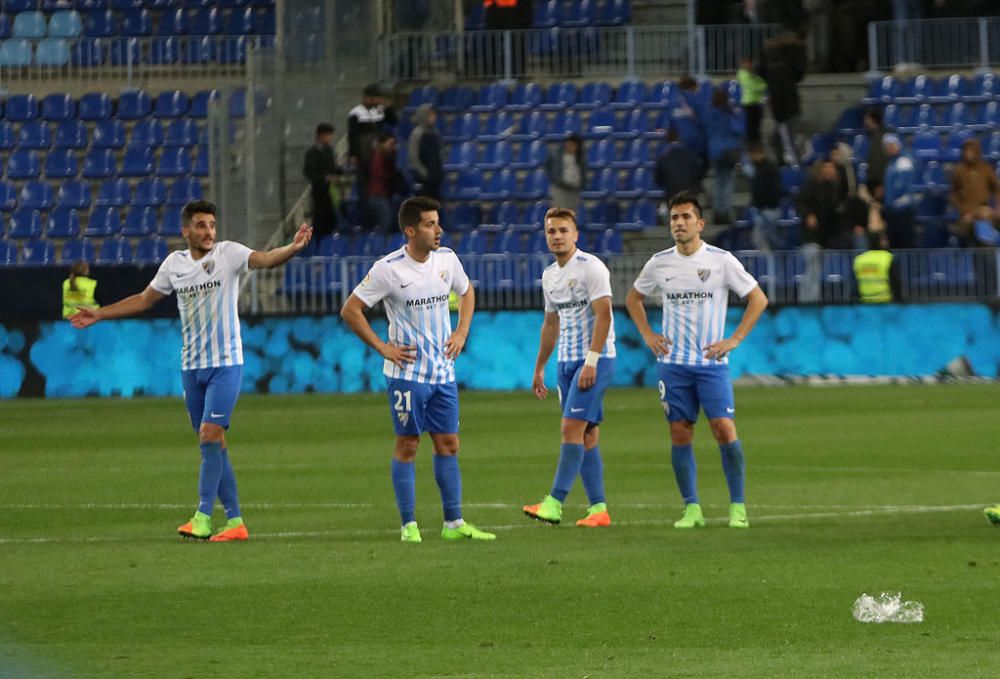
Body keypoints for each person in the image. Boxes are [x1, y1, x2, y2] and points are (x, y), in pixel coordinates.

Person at [69, 201, 313, 542]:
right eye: (201, 225)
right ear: (186, 230)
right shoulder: (174, 265)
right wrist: (100, 313)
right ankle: (236, 522)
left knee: (209, 435)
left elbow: (266, 258)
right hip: (191, 368)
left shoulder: (229, 254)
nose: (208, 231)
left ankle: (202, 515)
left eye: (212, 225)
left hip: (226, 364)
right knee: (215, 443)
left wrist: (294, 247)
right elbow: (144, 299)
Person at [340, 196, 496, 543]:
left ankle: (453, 524)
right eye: (430, 224)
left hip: (442, 372)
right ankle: (408, 524)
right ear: (410, 230)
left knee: (449, 443)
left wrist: (461, 332)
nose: (438, 230)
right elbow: (351, 309)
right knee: (408, 444)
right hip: (407, 374)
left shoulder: (447, 260)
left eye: (438, 223)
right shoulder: (388, 269)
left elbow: (467, 293)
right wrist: (383, 347)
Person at [625, 191, 768, 530]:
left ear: (700, 224)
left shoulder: (721, 260)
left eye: (686, 217)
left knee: (724, 429)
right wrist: (648, 335)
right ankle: (692, 508)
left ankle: (737, 506)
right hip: (673, 364)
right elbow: (633, 299)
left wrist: (733, 340)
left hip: (711, 365)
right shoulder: (660, 262)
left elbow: (757, 299)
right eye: (674, 218)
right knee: (680, 432)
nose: (679, 223)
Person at [522, 207, 616, 528]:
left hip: (595, 359)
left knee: (570, 428)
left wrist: (592, 360)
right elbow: (551, 323)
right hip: (566, 361)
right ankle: (599, 509)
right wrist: (540, 367)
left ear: (576, 235)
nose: (557, 236)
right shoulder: (549, 276)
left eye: (563, 230)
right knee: (587, 434)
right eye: (551, 231)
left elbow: (604, 315)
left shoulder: (592, 268)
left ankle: (554, 503)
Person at [348, 84, 397, 229]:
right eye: (373, 98)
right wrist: (353, 155)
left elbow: (393, 121)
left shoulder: (379, 111)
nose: (375, 101)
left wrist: (387, 107)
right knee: (365, 193)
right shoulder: (356, 113)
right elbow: (352, 136)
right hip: (364, 158)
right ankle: (367, 224)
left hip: (377, 159)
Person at [796, 157, 842, 302]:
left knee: (816, 269)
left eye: (831, 168)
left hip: (824, 238)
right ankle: (807, 300)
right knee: (812, 268)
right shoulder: (813, 185)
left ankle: (812, 299)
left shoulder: (833, 189)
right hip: (811, 237)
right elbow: (798, 202)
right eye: (826, 167)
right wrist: (808, 215)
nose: (829, 170)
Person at [949, 138, 1000, 246]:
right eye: (966, 150)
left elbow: (996, 189)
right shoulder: (958, 170)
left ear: (977, 152)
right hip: (967, 213)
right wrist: (964, 212)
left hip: (985, 211)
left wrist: (995, 208)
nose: (969, 153)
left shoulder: (986, 168)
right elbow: (953, 194)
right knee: (962, 232)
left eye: (972, 150)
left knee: (986, 238)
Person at [706, 85, 745, 225]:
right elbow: (738, 130)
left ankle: (717, 211)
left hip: (714, 150)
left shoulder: (710, 112)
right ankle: (724, 211)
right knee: (727, 182)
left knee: (718, 182)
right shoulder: (729, 113)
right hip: (728, 150)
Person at [303, 122, 342, 240]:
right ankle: (318, 244)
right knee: (320, 219)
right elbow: (309, 172)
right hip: (320, 191)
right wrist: (325, 178)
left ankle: (329, 243)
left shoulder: (329, 150)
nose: (330, 138)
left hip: (331, 190)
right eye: (328, 135)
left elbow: (333, 167)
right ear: (321, 135)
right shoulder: (312, 152)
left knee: (332, 219)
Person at [881, 133, 916, 249]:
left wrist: (891, 203)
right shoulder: (891, 163)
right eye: (887, 146)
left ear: (898, 145)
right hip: (892, 211)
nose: (889, 148)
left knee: (904, 245)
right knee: (894, 245)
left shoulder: (903, 161)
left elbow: (900, 187)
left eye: (891, 145)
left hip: (902, 210)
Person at [746, 142, 783, 251]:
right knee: (759, 241)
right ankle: (769, 265)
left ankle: (773, 265)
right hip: (762, 210)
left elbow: (770, 190)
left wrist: (761, 204)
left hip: (769, 209)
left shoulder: (768, 168)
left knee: (771, 241)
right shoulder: (758, 168)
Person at [654, 128, 703, 207]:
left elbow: (657, 180)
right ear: (680, 138)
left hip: (671, 197)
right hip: (690, 194)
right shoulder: (691, 156)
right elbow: (698, 174)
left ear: (667, 141)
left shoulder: (663, 158)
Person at [853, 231, 902, 303]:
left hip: (864, 300)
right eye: (885, 239)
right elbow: (895, 281)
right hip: (884, 300)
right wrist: (899, 300)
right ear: (881, 241)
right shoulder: (888, 257)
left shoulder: (859, 259)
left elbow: (854, 282)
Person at [368, 134, 403, 233]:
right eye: (390, 144)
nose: (392, 146)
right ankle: (379, 245)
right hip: (378, 194)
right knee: (385, 222)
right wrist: (392, 175)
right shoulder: (379, 156)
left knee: (387, 221)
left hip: (382, 193)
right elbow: (380, 173)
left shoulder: (385, 156)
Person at [407, 104, 443, 201]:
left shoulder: (436, 133)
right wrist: (425, 174)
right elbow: (413, 157)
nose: (434, 117)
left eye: (434, 114)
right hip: (424, 180)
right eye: (431, 114)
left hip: (436, 178)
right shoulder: (417, 134)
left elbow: (439, 153)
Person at [545, 133, 585, 210]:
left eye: (573, 145)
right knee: (560, 213)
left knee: (571, 214)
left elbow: (583, 171)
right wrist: (555, 179)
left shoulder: (581, 157)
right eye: (569, 144)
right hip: (560, 189)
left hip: (574, 189)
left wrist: (581, 184)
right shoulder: (556, 154)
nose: (570, 147)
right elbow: (547, 166)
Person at [736, 55, 768, 143]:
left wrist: (762, 85)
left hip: (757, 102)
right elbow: (752, 86)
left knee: (757, 125)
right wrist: (763, 86)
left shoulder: (752, 73)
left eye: (749, 63)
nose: (748, 65)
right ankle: (751, 143)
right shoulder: (742, 73)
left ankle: (756, 142)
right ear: (742, 64)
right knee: (751, 126)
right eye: (746, 63)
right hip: (749, 103)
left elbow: (761, 81)